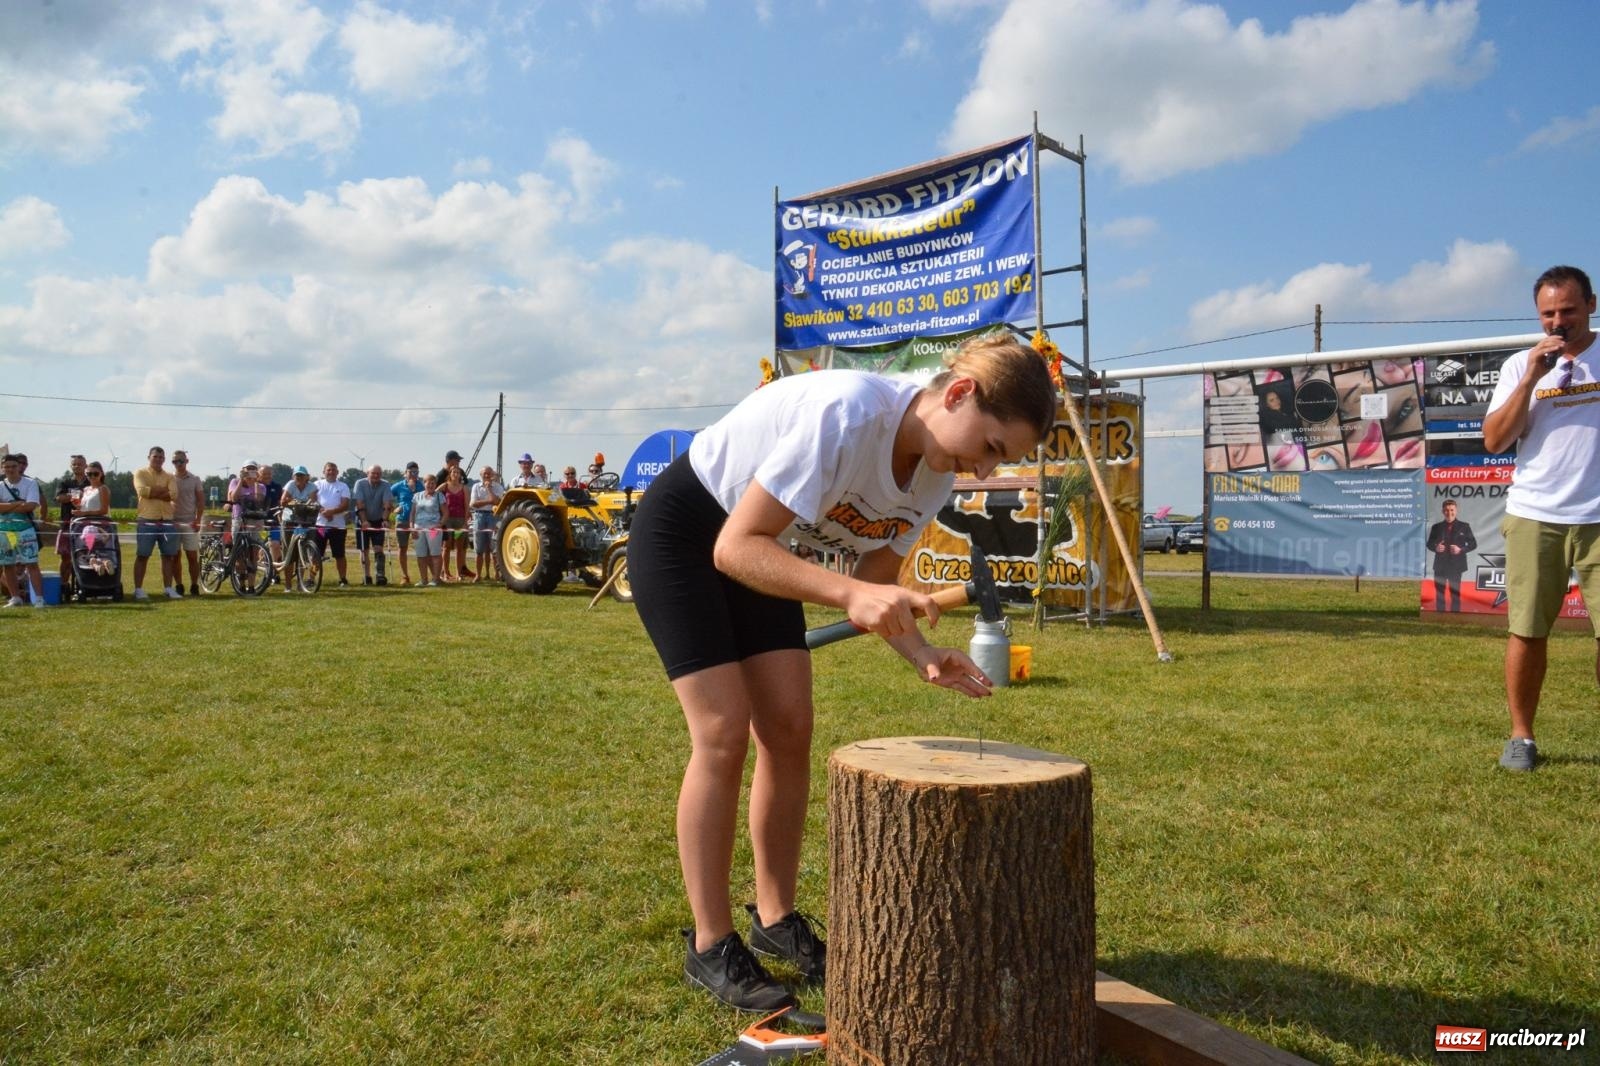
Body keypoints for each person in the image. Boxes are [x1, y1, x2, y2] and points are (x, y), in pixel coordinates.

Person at [627, 333, 1058, 1010]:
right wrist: (854, 596)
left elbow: (874, 576)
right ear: (959, 394)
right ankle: (710, 945)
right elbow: (736, 546)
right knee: (721, 733)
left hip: (766, 548)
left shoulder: (937, 470)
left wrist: (921, 654)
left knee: (790, 727)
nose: (982, 471)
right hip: (690, 533)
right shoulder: (851, 412)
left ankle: (774, 923)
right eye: (993, 448)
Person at [1482, 264, 1600, 772]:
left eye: (1568, 311)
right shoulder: (1519, 367)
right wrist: (1533, 374)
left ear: (1591, 306)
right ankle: (1521, 739)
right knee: (1527, 631)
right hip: (1535, 514)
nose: (1558, 322)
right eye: (1548, 313)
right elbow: (1495, 440)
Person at [132, 445, 181, 601]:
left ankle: (168, 588)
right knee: (142, 556)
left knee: (168, 556)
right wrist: (161, 491)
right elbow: (142, 491)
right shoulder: (140, 473)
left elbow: (173, 494)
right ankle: (138, 589)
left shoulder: (170, 476)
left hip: (166, 520)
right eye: (155, 457)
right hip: (147, 520)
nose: (158, 460)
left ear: (164, 459)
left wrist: (153, 491)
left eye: (161, 457)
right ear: (149, 458)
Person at [1, 453, 46, 608]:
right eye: (7, 467)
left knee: (31, 563)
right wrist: (18, 503)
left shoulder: (30, 483)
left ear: (19, 467)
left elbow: (31, 505)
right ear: (2, 468)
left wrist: (7, 506)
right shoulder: (1, 485)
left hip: (25, 529)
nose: (11, 469)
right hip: (4, 531)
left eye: (14, 466)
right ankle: (15, 597)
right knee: (8, 565)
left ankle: (39, 598)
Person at [1425, 500, 1477, 613]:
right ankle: (1440, 617)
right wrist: (1436, 548)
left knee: (1455, 593)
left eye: (1452, 510)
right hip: (1440, 566)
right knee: (1439, 593)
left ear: (1456, 511)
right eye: (1447, 510)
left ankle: (1455, 617)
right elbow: (1429, 544)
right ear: (1443, 511)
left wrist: (1461, 550)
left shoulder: (1464, 526)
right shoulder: (1436, 527)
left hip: (1456, 566)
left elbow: (1473, 544)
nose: (1449, 513)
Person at [352, 464, 395, 586]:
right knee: (364, 550)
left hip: (378, 519)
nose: (376, 476)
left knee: (378, 548)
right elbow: (359, 504)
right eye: (373, 473)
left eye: (378, 474)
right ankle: (367, 576)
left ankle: (380, 575)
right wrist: (364, 521)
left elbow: (387, 504)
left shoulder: (385, 484)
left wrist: (385, 519)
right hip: (362, 519)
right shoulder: (360, 484)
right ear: (368, 473)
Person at [171, 450, 207, 595]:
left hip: (190, 522)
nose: (178, 464)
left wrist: (198, 520)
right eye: (175, 461)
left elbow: (201, 500)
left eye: (181, 461)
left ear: (187, 461)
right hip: (173, 523)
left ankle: (194, 585)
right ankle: (179, 585)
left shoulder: (195, 479)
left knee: (192, 556)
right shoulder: (169, 478)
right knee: (175, 556)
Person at [313, 461, 352, 588]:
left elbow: (345, 504)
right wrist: (324, 512)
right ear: (324, 472)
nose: (331, 472)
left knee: (339, 554)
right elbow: (312, 501)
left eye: (333, 470)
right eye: (328, 470)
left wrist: (332, 512)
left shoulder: (343, 486)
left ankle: (343, 579)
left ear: (337, 472)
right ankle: (311, 578)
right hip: (320, 526)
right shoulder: (316, 484)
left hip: (338, 526)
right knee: (316, 553)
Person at [53, 454, 89, 588]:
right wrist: (76, 495)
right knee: (66, 557)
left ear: (85, 465)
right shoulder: (65, 482)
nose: (77, 466)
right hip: (67, 524)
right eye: (74, 464)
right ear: (70, 466)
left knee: (86, 555)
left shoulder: (91, 482)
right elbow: (59, 498)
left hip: (86, 525)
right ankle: (63, 584)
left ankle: (84, 583)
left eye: (79, 464)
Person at [391, 461, 424, 586]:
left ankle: (423, 576)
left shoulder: (422, 486)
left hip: (419, 521)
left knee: (421, 549)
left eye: (416, 472)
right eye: (411, 472)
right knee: (402, 548)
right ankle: (405, 576)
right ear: (405, 473)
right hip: (402, 520)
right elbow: (386, 497)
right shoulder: (398, 486)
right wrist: (394, 508)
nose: (413, 474)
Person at [470, 464, 503, 582]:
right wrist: (490, 500)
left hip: (493, 516)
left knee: (494, 548)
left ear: (492, 475)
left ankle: (497, 574)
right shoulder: (475, 487)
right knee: (479, 549)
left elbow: (498, 502)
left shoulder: (498, 487)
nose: (487, 475)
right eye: (485, 473)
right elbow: (473, 504)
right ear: (481, 475)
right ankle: (478, 575)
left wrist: (489, 489)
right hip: (479, 516)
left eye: (489, 473)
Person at [410, 473, 444, 586]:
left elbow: (446, 513)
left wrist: (440, 524)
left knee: (435, 554)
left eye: (433, 483)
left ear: (435, 484)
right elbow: (412, 513)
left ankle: (435, 579)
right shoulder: (416, 496)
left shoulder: (439, 496)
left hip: (434, 530)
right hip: (418, 529)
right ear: (424, 483)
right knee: (421, 555)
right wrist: (412, 528)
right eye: (428, 482)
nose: (430, 485)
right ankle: (423, 580)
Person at [439, 465, 472, 582]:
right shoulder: (445, 486)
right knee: (446, 547)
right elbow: (434, 495)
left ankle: (459, 573)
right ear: (450, 474)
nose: (456, 474)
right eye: (454, 472)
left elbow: (467, 506)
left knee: (459, 548)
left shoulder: (464, 488)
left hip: (460, 521)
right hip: (447, 521)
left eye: (458, 472)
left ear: (460, 475)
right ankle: (445, 573)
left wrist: (465, 522)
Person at [257, 460, 284, 578]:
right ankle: (265, 569)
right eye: (264, 474)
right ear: (259, 474)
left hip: (274, 522)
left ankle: (275, 572)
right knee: (262, 546)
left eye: (269, 474)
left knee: (275, 545)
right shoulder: (256, 486)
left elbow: (280, 503)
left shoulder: (277, 487)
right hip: (259, 522)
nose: (267, 476)